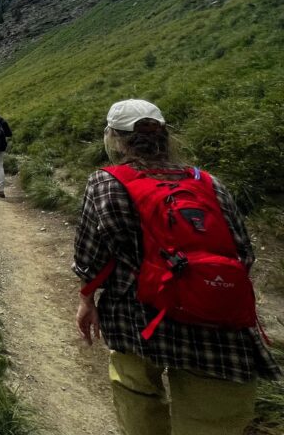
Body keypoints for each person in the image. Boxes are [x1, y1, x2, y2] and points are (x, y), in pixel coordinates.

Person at [73, 99, 279, 435]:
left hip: (136, 314)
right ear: (165, 136)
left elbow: (91, 253)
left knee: (137, 392)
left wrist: (86, 299)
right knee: (210, 419)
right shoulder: (209, 182)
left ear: (114, 139)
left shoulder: (106, 181)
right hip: (216, 317)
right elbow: (243, 252)